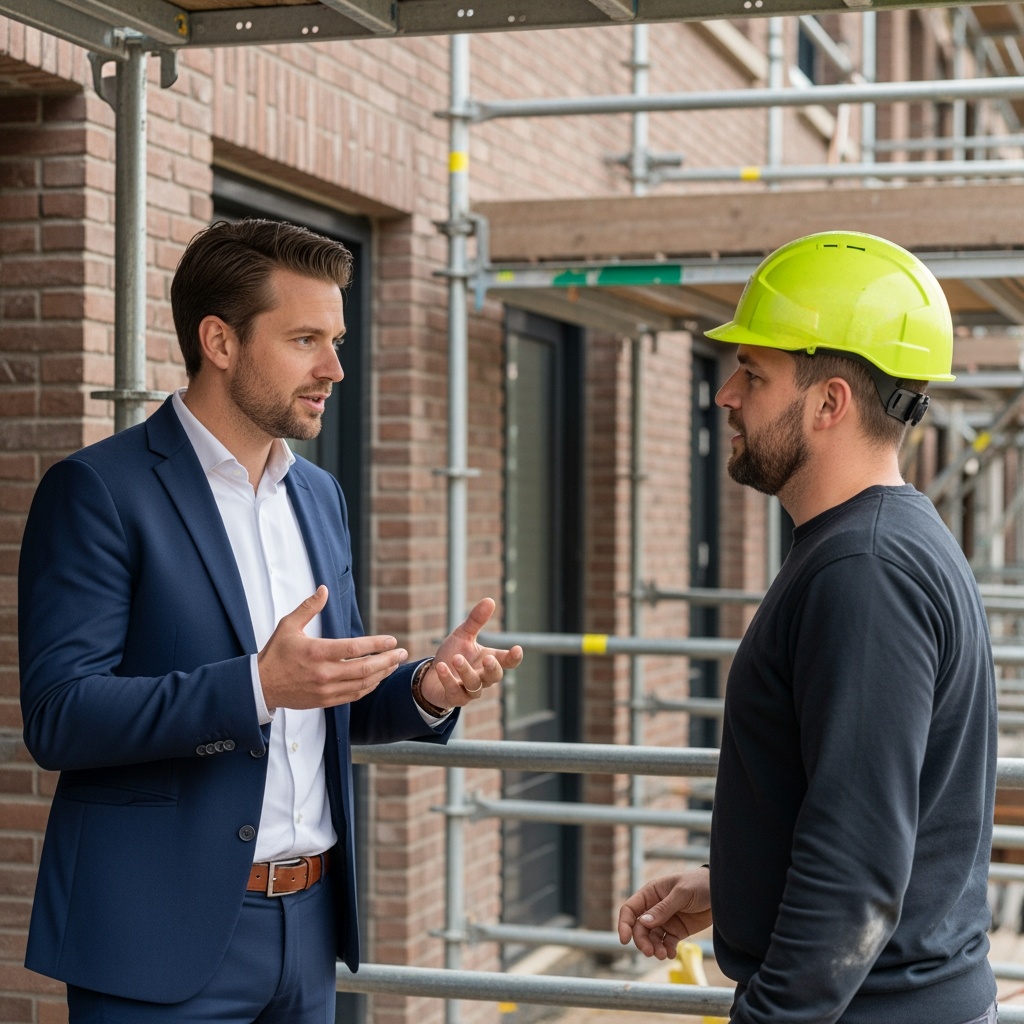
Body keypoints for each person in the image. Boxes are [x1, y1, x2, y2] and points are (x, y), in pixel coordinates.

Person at [18, 218, 523, 1024]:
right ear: (219, 341)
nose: (335, 367)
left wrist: (426, 689)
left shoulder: (318, 497)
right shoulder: (99, 492)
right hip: (157, 938)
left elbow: (329, 698)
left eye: (336, 338)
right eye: (305, 340)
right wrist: (255, 685)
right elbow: (59, 717)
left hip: (308, 928)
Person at [618, 231, 998, 1024]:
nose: (726, 394)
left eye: (753, 374)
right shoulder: (879, 544)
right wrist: (735, 881)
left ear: (830, 403)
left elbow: (856, 866)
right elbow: (859, 790)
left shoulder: (864, 572)